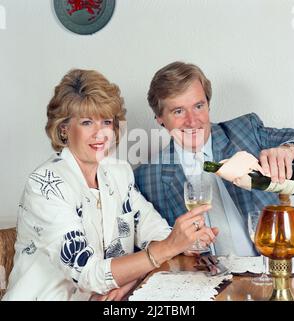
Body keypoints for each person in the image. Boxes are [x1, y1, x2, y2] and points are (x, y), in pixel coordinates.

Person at [3, 69, 217, 301]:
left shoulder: (118, 173)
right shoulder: (46, 185)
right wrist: (167, 248)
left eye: (106, 121)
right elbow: (89, 274)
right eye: (86, 122)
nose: (100, 133)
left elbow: (157, 232)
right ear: (64, 128)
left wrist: (133, 278)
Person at [134, 61, 294, 257]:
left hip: (272, 271)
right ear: (159, 118)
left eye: (198, 106)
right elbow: (149, 249)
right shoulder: (146, 178)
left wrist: (290, 150)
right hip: (202, 283)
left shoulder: (245, 130)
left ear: (208, 104)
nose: (192, 120)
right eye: (178, 111)